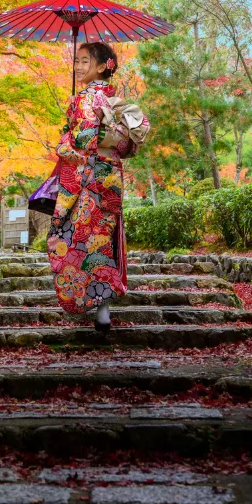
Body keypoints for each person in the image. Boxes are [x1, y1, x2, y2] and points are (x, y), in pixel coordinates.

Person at [47, 41, 148, 333]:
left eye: (84, 61)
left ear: (104, 66)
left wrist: (64, 142)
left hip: (86, 177)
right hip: (111, 175)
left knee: (71, 237)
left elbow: (80, 140)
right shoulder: (119, 103)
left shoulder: (81, 99)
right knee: (103, 239)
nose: (78, 66)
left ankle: (91, 302)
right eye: (76, 62)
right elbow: (127, 146)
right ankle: (103, 311)